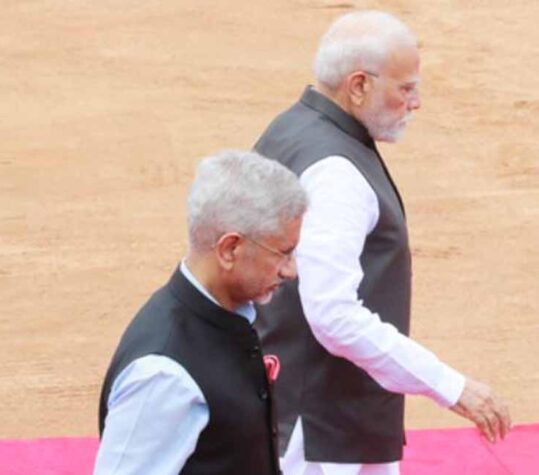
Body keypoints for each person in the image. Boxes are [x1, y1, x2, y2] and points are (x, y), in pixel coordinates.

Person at [254, 10, 511, 475]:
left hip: (301, 405)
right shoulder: (337, 172)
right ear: (358, 86)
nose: (416, 103)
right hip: (325, 431)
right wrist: (450, 386)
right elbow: (333, 315)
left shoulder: (292, 128)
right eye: (406, 88)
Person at [94, 150, 307, 475]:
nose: (291, 270)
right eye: (284, 253)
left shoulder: (229, 317)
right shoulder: (163, 376)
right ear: (229, 249)